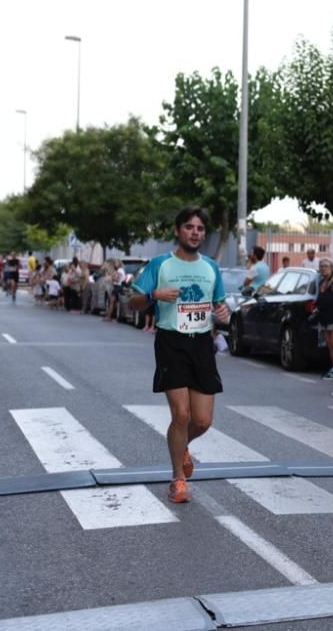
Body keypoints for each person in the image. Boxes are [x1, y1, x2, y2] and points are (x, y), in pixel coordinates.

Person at [129, 206, 230, 504]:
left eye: (200, 229)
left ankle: (182, 447)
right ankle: (178, 479)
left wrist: (223, 312)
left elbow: (220, 307)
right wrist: (153, 296)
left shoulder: (211, 267)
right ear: (178, 231)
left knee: (202, 420)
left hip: (201, 344)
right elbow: (132, 303)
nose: (195, 233)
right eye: (189, 227)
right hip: (171, 341)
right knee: (181, 415)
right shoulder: (160, 265)